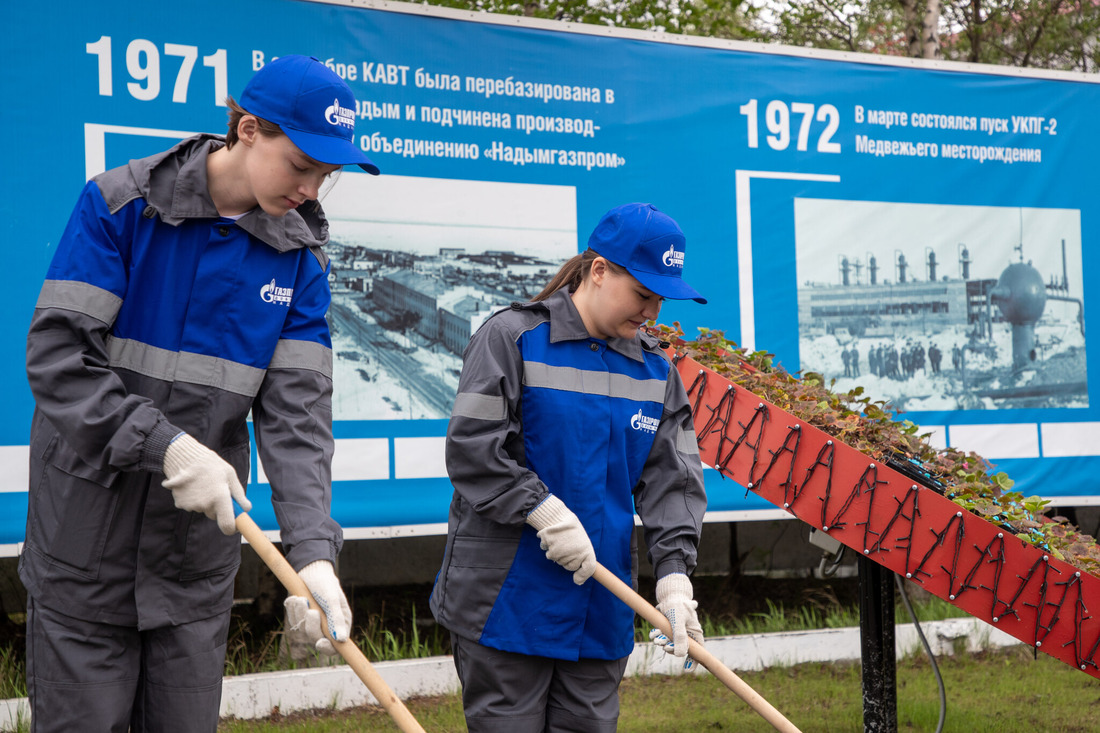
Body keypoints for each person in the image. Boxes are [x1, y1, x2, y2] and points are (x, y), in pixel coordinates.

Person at [21, 54, 378, 732]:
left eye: (325, 177)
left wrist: (313, 553)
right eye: (300, 165)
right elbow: (60, 357)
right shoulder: (120, 206)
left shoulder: (300, 262)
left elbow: (297, 420)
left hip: (191, 572)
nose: (310, 189)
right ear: (248, 130)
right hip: (82, 554)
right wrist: (166, 446)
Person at [430, 202, 709, 732]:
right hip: (506, 605)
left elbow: (672, 483)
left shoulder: (657, 370)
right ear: (598, 270)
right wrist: (540, 509)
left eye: (660, 299)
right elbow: (472, 448)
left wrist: (675, 579)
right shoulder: (512, 338)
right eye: (642, 294)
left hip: (600, 610)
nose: (651, 312)